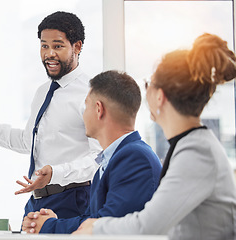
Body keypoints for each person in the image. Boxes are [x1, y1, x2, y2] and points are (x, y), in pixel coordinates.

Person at [73, 33, 236, 240]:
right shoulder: (192, 146)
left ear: (160, 96)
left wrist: (94, 227)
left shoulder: (197, 152)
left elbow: (147, 226)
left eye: (148, 84)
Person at [0, 11, 101, 220]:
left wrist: (56, 172)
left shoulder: (90, 94)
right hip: (36, 201)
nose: (49, 54)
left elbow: (99, 158)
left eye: (58, 46)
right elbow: (28, 142)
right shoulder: (43, 92)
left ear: (77, 47)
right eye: (44, 45)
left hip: (74, 200)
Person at [21, 70, 162, 234]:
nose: (82, 114)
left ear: (98, 109)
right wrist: (54, 221)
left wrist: (49, 226)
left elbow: (106, 225)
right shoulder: (109, 161)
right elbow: (92, 219)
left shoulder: (135, 158)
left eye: (85, 105)